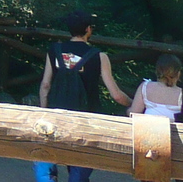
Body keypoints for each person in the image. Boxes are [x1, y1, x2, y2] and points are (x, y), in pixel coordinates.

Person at [36, 11, 131, 182]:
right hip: (87, 119)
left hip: (56, 115)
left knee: (47, 158)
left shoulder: (54, 50)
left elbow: (45, 85)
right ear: (88, 29)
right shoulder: (99, 56)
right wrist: (134, 104)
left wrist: (45, 111)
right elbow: (116, 95)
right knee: (81, 163)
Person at [129, 54, 183, 120]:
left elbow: (134, 112)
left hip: (147, 128)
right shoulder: (181, 93)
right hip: (172, 130)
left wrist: (127, 110)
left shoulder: (145, 86)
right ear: (178, 73)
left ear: (157, 71)